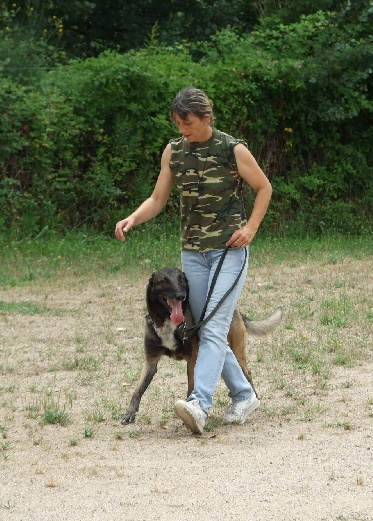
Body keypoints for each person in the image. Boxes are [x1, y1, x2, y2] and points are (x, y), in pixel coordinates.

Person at [114, 87, 273, 434]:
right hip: (193, 254)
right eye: (177, 122)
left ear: (206, 118)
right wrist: (133, 218)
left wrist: (251, 228)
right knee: (200, 324)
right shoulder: (174, 151)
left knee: (214, 327)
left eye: (187, 122)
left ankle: (199, 404)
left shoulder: (233, 149)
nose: (182, 128)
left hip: (229, 250)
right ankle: (244, 394)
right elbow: (157, 199)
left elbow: (265, 188)